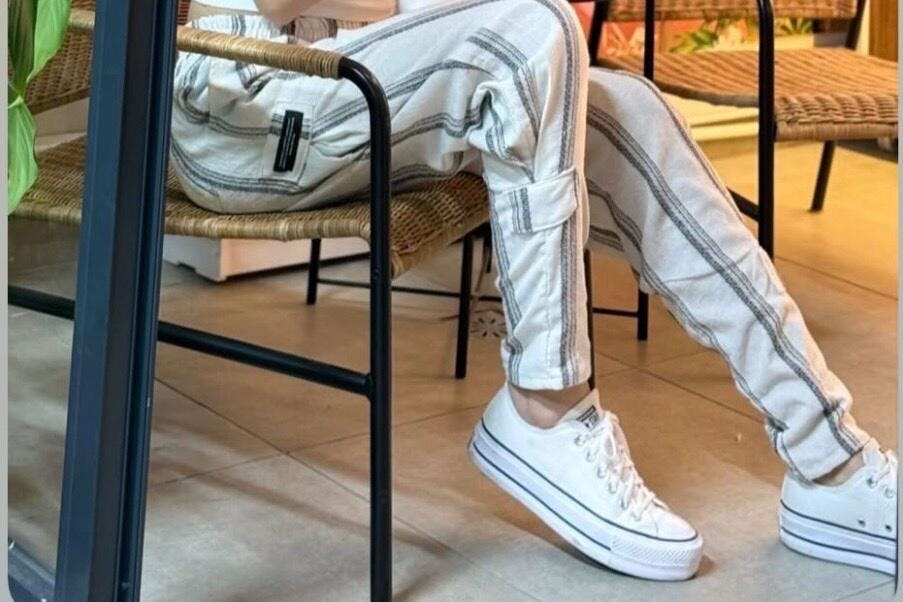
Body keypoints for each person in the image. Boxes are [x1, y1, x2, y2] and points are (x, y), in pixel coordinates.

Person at [173, 0, 896, 580]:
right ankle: (546, 403)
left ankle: (830, 459)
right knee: (531, 31)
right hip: (243, 100)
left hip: (348, 69)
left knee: (629, 107)